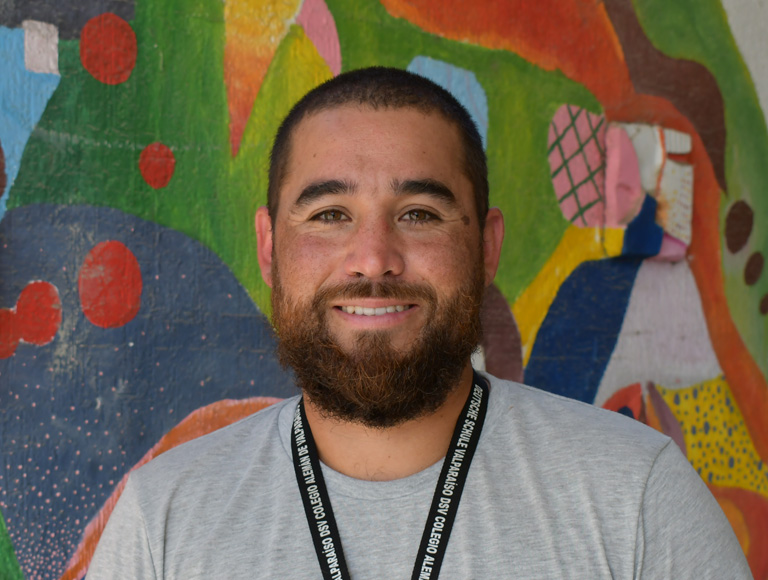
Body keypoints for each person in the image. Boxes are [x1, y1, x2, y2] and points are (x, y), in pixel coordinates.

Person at [87, 67, 751, 579]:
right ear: (268, 247)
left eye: (420, 215)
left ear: (486, 246)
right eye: (329, 215)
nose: (374, 257)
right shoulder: (163, 519)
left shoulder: (636, 496)